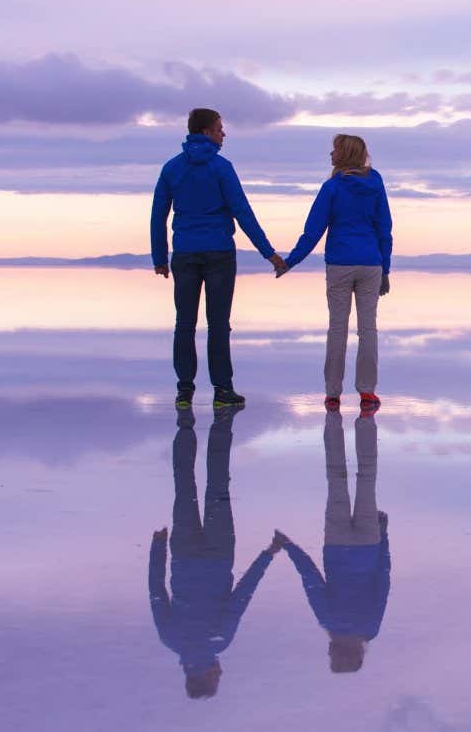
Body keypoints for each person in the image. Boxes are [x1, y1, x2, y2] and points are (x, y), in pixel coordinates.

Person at [151, 108, 287, 409]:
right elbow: (242, 212)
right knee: (218, 324)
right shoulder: (222, 168)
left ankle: (184, 392)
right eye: (219, 129)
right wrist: (270, 254)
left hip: (185, 253)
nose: (223, 134)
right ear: (205, 132)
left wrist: (159, 257)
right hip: (219, 254)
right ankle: (222, 390)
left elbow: (158, 216)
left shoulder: (171, 168)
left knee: (184, 323)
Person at [148, 407, 284, 698]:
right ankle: (185, 421)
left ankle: (223, 421)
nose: (221, 671)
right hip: (184, 554)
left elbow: (243, 594)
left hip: (218, 554)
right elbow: (156, 592)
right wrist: (158, 548)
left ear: (208, 674)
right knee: (184, 486)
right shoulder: (170, 639)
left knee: (218, 483)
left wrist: (268, 554)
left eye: (217, 677)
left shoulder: (219, 640)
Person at [276, 134, 392, 410]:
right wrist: (385, 269)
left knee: (337, 329)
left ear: (345, 154)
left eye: (335, 150)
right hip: (370, 263)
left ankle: (333, 392)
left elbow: (313, 231)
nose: (331, 154)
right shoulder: (375, 184)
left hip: (340, 263)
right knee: (368, 329)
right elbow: (384, 230)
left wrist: (290, 261)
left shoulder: (332, 188)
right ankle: (367, 391)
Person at [277, 409, 390, 673]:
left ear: (359, 655)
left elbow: (383, 580)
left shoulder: (370, 628)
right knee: (336, 476)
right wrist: (289, 547)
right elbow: (311, 580)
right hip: (337, 544)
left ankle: (366, 421)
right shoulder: (329, 621)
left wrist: (383, 536)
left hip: (368, 545)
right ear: (334, 654)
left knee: (367, 477)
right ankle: (332, 418)